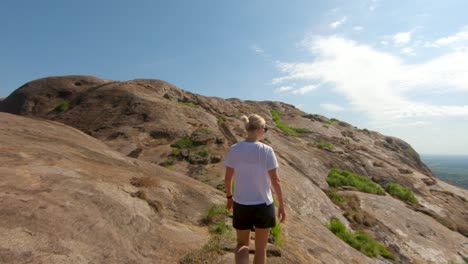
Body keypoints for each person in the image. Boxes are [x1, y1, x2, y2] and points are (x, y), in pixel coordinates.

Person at [224, 113, 286, 264]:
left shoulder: (235, 149)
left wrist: (229, 197)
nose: (265, 131)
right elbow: (276, 181)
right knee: (261, 248)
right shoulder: (266, 151)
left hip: (241, 203)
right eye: (265, 128)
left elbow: (227, 178)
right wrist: (282, 206)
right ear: (259, 129)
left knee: (242, 244)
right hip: (264, 205)